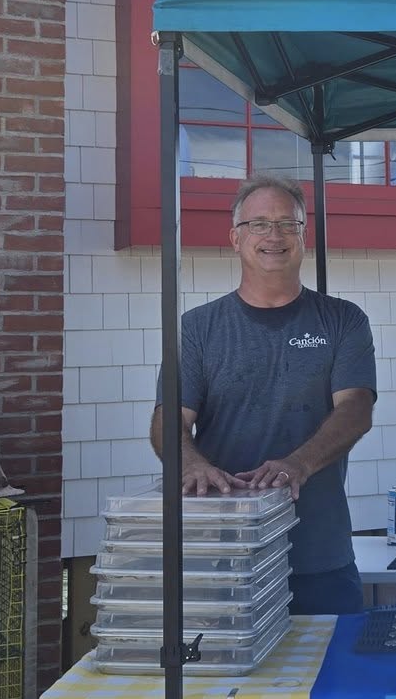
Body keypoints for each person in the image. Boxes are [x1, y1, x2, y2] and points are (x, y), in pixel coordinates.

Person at [150, 174, 376, 615]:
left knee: (328, 680)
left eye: (288, 224)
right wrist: (192, 464)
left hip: (320, 555)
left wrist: (298, 464)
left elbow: (356, 409)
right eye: (259, 224)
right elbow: (168, 420)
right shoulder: (197, 329)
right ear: (235, 238)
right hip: (224, 558)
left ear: (303, 237)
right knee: (223, 683)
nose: (274, 235)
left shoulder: (343, 320)